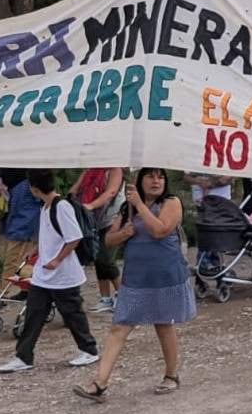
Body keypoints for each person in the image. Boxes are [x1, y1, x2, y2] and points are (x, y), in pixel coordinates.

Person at [74, 168, 197, 401]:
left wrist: (140, 205)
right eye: (150, 176)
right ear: (140, 181)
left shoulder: (172, 202)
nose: (156, 181)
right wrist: (124, 233)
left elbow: (160, 230)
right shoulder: (126, 208)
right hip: (135, 278)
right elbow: (109, 240)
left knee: (163, 325)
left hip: (165, 276)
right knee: (119, 326)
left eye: (160, 177)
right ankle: (100, 382)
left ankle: (171, 375)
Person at [0, 169, 100, 374]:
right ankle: (23, 356)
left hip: (62, 275)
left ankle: (89, 350)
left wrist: (57, 260)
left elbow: (74, 237)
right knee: (34, 315)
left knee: (73, 314)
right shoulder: (46, 207)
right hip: (45, 276)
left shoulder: (61, 207)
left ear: (35, 189)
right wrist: (37, 251)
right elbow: (52, 235)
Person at [70, 167, 125, 313]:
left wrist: (91, 205)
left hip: (112, 219)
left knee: (105, 258)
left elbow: (111, 192)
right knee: (97, 259)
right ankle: (105, 298)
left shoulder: (115, 169)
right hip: (94, 220)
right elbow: (75, 188)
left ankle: (123, 297)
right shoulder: (90, 170)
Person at [0, 170, 39, 305]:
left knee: (13, 258)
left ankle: (2, 293)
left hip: (24, 221)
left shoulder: (27, 181)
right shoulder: (23, 180)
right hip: (22, 218)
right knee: (25, 260)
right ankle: (26, 290)